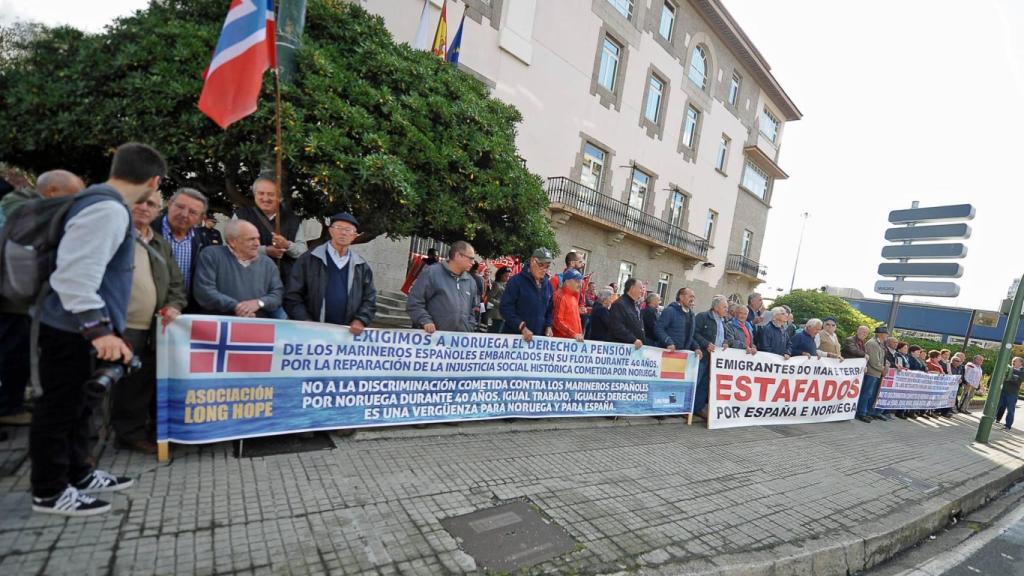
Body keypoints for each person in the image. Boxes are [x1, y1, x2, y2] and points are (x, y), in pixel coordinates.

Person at [31, 143, 166, 516]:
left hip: (83, 329)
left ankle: (79, 473)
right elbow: (74, 276)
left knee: (80, 408)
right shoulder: (106, 210)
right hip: (71, 329)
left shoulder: (102, 203)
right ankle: (50, 491)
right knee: (59, 409)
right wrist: (100, 331)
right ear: (153, 181)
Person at [0, 170, 85, 427]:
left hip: (22, 297)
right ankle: (8, 407)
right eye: (74, 195)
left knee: (21, 352)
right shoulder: (22, 209)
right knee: (12, 352)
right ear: (52, 193)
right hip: (12, 298)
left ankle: (12, 400)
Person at [110, 192, 186, 454]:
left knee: (139, 384)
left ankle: (131, 434)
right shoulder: (112, 238)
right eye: (139, 201)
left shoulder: (160, 245)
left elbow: (176, 283)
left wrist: (174, 305)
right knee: (106, 384)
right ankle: (88, 445)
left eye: (151, 204)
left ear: (157, 211)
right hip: (115, 327)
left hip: (154, 328)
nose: (144, 208)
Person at [283, 212, 376, 333]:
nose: (343, 233)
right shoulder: (309, 259)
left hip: (346, 336)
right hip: (310, 333)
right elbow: (292, 294)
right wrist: (304, 319)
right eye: (338, 228)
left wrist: (361, 320)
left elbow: (370, 299)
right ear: (330, 231)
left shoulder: (362, 267)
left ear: (354, 236)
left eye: (348, 230)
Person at [193, 220, 284, 318]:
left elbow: (277, 295)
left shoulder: (267, 263)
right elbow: (204, 292)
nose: (257, 243)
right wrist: (237, 307)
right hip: (220, 326)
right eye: (251, 239)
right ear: (232, 241)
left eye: (258, 238)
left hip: (258, 326)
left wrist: (259, 303)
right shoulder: (211, 256)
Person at [233, 177, 311, 285]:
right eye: (261, 193)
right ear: (255, 194)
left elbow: (303, 251)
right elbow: (233, 248)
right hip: (248, 282)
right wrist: (265, 251)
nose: (265, 198)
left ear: (279, 197)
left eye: (271, 194)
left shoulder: (292, 220)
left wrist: (287, 245)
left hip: (283, 282)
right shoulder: (241, 216)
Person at [153, 187, 215, 310]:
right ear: (170, 204)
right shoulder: (148, 230)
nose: (184, 214)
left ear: (201, 217)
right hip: (150, 308)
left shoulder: (203, 241)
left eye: (193, 212)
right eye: (180, 207)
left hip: (186, 313)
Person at [406, 241, 479, 333]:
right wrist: (425, 321)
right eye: (470, 258)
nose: (473, 262)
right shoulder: (432, 273)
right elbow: (414, 302)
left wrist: (469, 326)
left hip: (460, 341)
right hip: (432, 339)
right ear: (458, 255)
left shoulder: (471, 281)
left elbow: (473, 309)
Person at [500, 248, 554, 342]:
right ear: (533, 261)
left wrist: (548, 326)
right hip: (515, 338)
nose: (545, 269)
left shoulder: (548, 284)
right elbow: (505, 308)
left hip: (537, 340)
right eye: (541, 265)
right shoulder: (516, 281)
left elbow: (549, 309)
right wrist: (521, 326)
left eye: (547, 266)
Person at [692, 295, 731, 418]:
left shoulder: (723, 321)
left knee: (704, 384)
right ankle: (686, 409)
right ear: (716, 307)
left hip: (714, 358)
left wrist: (726, 342)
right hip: (702, 355)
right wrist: (705, 343)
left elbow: (727, 337)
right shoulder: (703, 317)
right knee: (695, 382)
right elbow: (694, 333)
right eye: (724, 307)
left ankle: (697, 408)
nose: (727, 309)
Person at [654, 287, 701, 359]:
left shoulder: (691, 315)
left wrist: (696, 348)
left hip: (682, 357)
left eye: (694, 297)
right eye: (690, 296)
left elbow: (689, 336)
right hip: (667, 354)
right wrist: (668, 342)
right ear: (681, 297)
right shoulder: (670, 311)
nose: (692, 299)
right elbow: (659, 329)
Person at [859, 326, 890, 423]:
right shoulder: (873, 344)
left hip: (876, 373)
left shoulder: (879, 344)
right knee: (867, 393)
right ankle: (861, 412)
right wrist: (883, 369)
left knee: (871, 394)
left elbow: (882, 359)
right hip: (871, 373)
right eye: (886, 334)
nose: (887, 336)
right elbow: (874, 361)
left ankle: (867, 411)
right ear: (881, 334)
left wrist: (886, 366)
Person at [607, 278, 646, 349]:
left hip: (635, 349)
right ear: (632, 288)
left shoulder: (635, 305)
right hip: (623, 349)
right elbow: (617, 327)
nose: (642, 291)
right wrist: (633, 339)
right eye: (640, 288)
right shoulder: (619, 304)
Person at [552, 269, 585, 341]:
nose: (580, 285)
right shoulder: (560, 296)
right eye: (577, 281)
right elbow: (557, 321)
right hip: (562, 342)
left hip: (572, 342)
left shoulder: (573, 297)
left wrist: (579, 334)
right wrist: (574, 334)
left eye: (580, 282)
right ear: (567, 282)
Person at [996, 357, 1023, 431]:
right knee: (999, 406)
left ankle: (1007, 426)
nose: (1013, 362)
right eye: (1012, 361)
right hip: (1003, 391)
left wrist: (1009, 374)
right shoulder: (1008, 368)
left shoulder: (1022, 371)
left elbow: (1017, 380)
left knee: (1010, 410)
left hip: (1012, 393)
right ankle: (995, 419)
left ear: (1021, 363)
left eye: (1015, 361)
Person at [486, 268, 510, 333]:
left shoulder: (507, 284)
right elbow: (489, 298)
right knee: (495, 332)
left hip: (504, 314)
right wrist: (500, 304)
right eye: (506, 276)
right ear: (500, 275)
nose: (507, 278)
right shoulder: (496, 284)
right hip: (497, 314)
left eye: (508, 276)